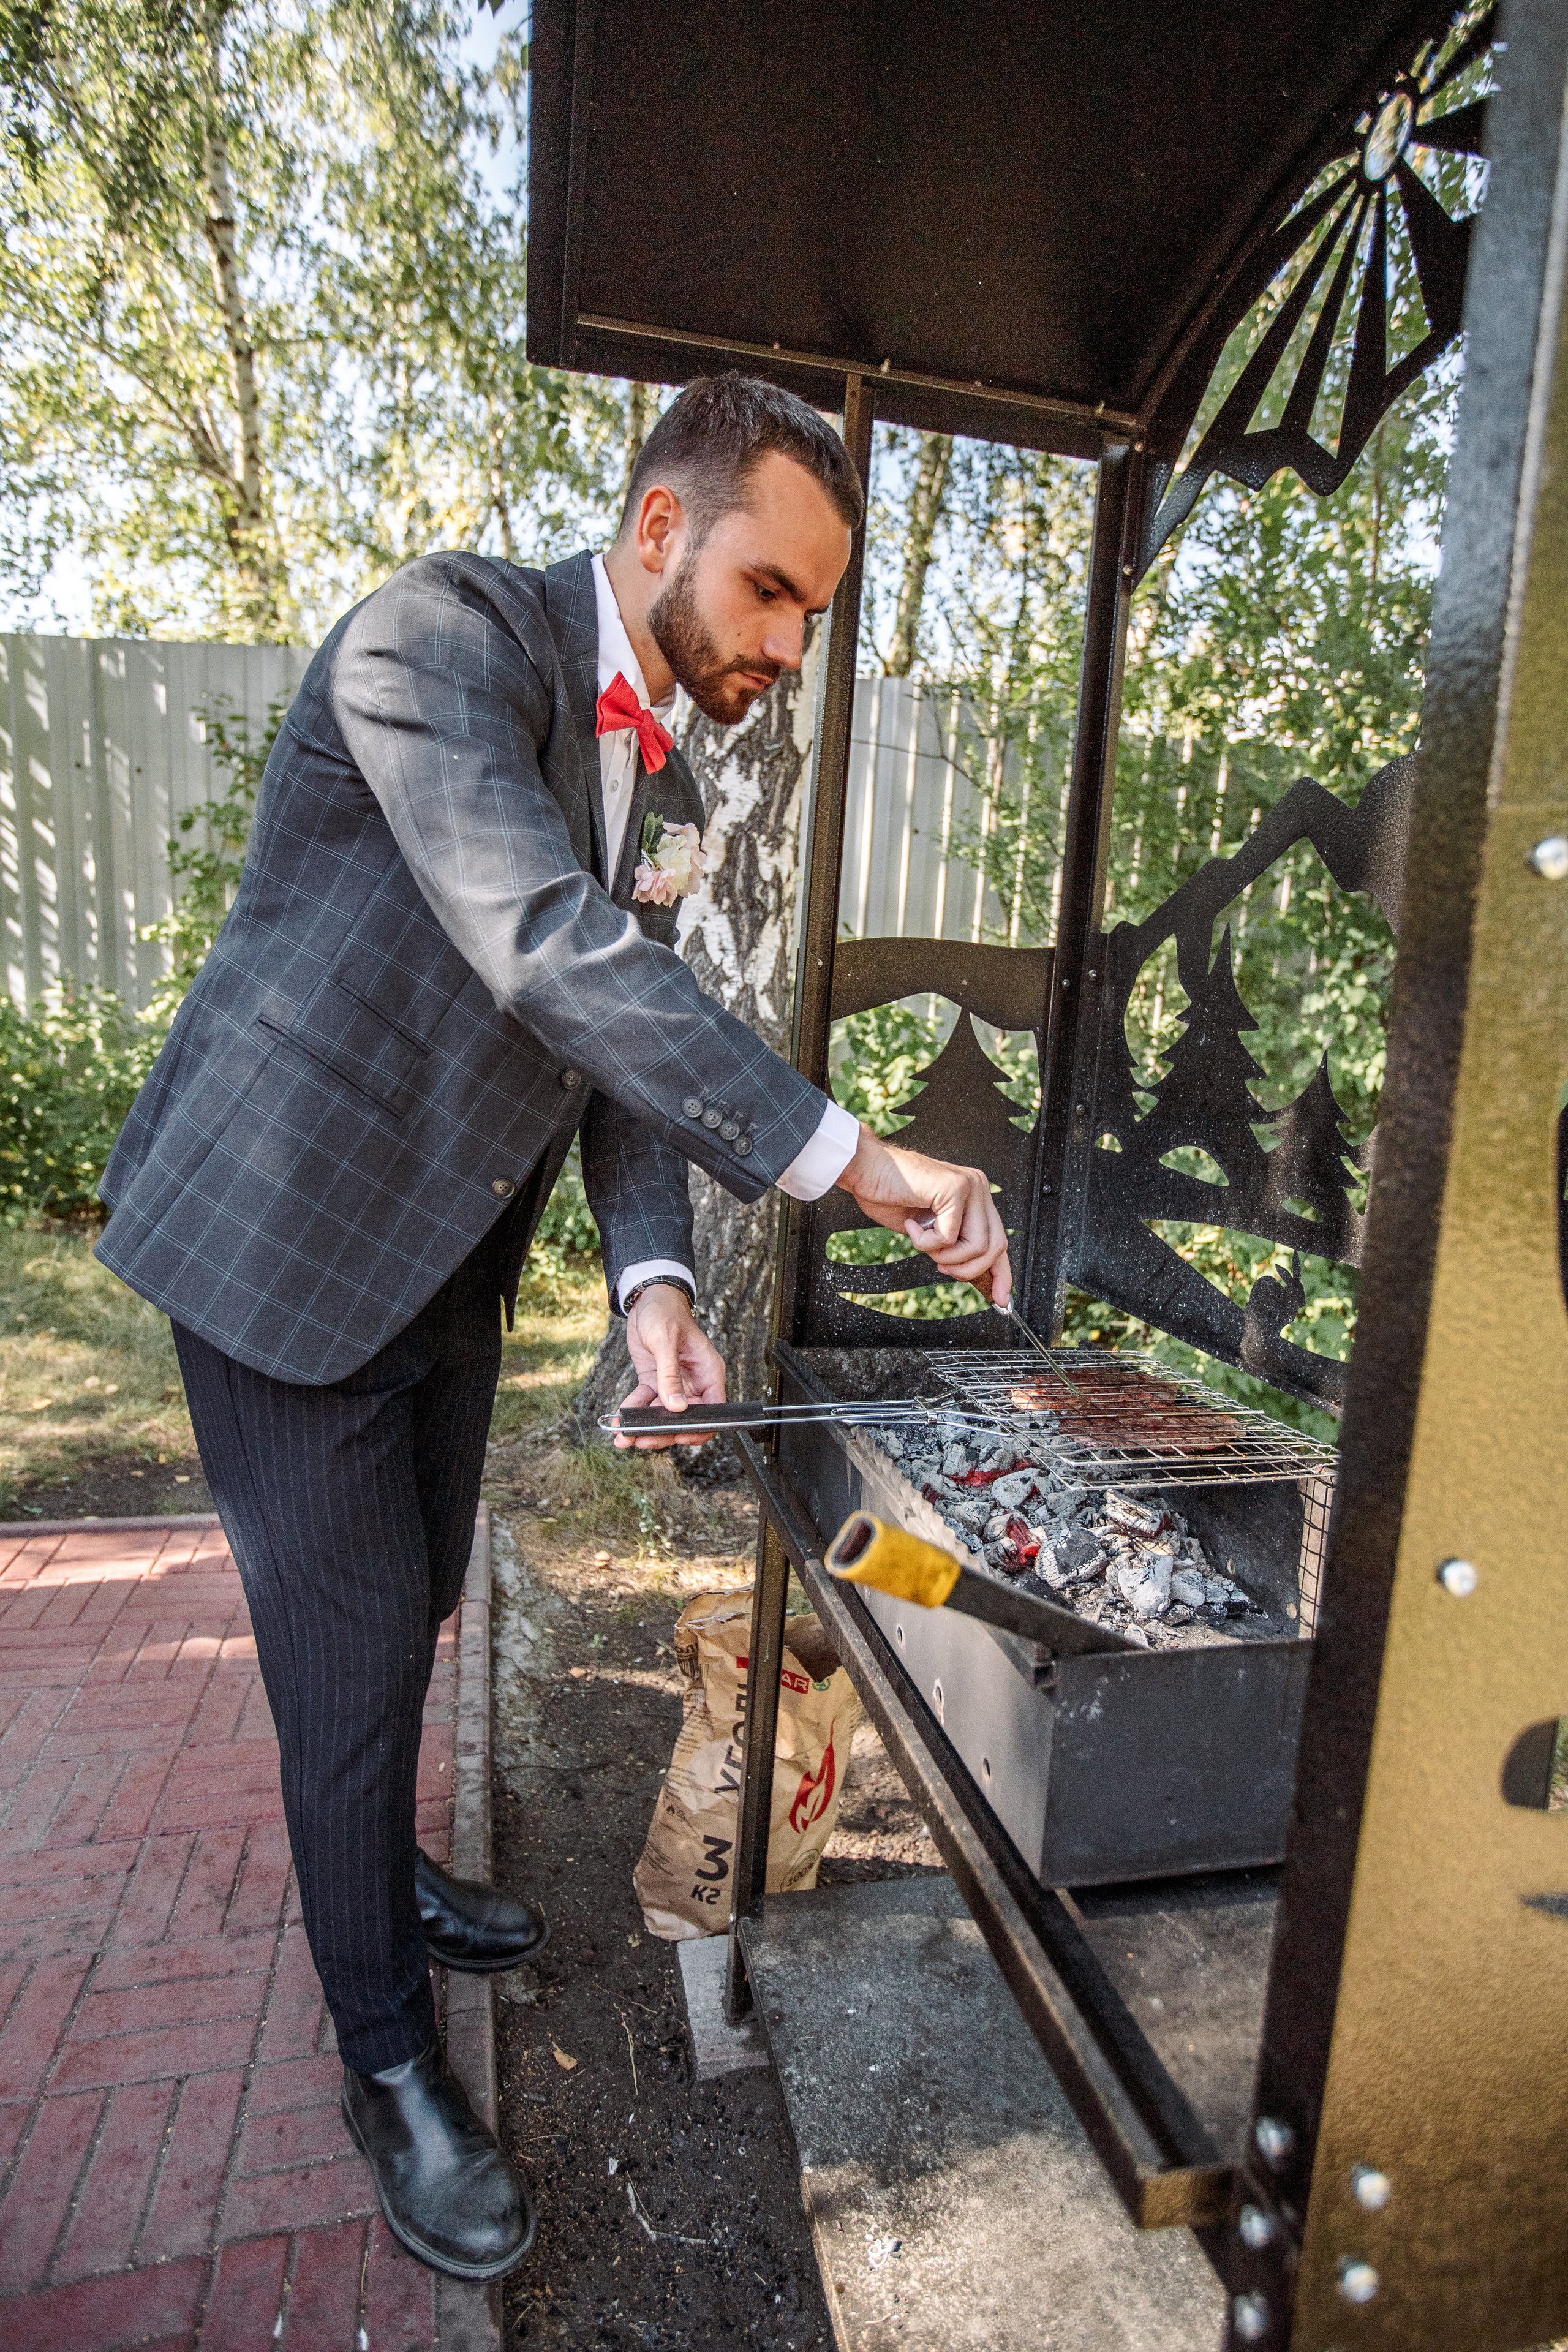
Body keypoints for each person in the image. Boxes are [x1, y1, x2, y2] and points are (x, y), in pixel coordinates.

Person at [96, 374, 1012, 2280]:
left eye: (815, 620)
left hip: (439, 1268)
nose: (787, 646)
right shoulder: (436, 638)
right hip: (281, 1254)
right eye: (770, 592)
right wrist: (855, 1158)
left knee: (421, 1594)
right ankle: (381, 2061)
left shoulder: (665, 775)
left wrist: (657, 1283)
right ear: (663, 529)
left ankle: (383, 1874)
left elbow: (611, 1065)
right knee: (349, 1670)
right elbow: (547, 948)